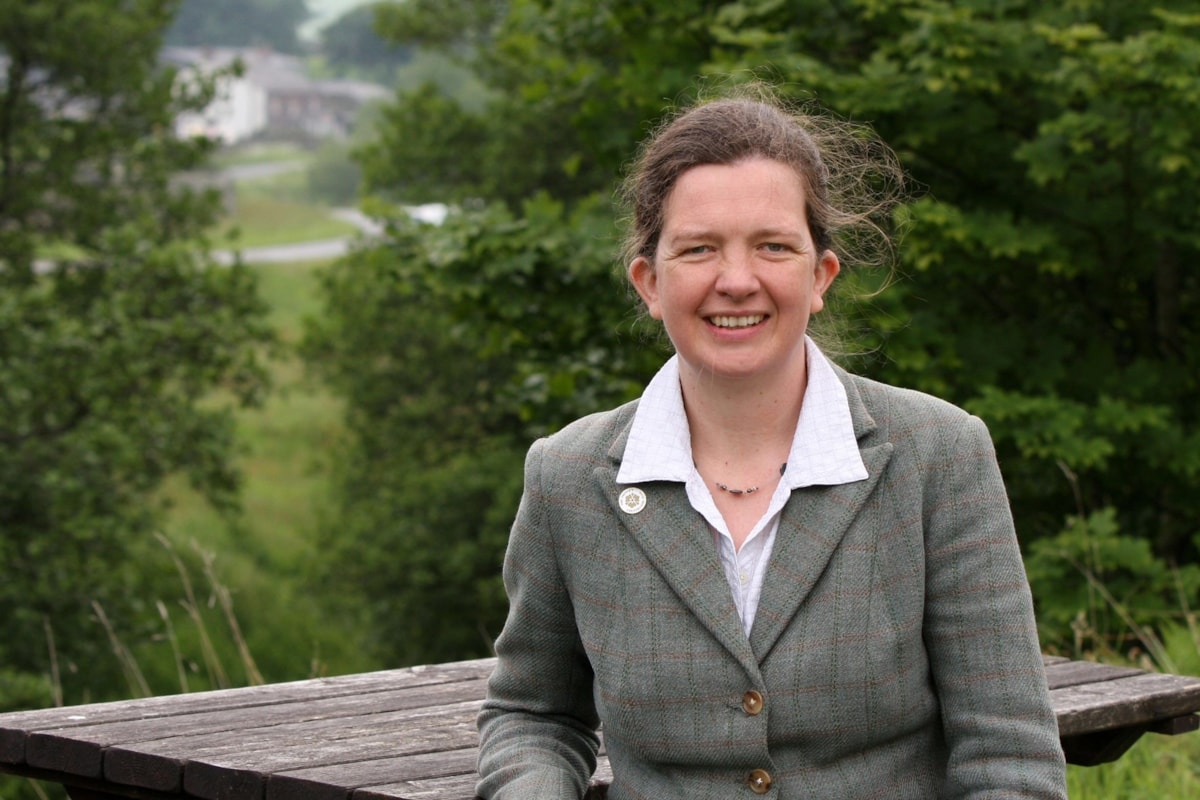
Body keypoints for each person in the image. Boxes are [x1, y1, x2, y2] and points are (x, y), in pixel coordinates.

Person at [475, 87, 1067, 799]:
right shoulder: (566, 476)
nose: (736, 281)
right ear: (648, 283)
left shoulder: (940, 454)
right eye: (698, 250)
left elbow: (1011, 757)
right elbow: (532, 715)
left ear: (820, 276)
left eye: (772, 247)